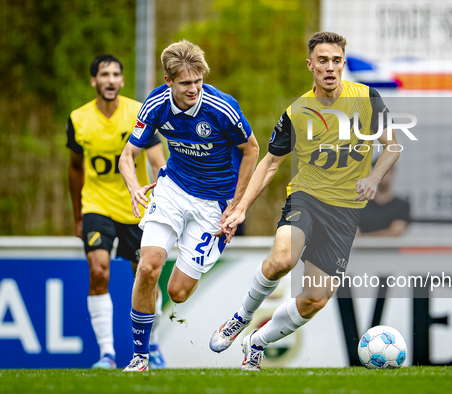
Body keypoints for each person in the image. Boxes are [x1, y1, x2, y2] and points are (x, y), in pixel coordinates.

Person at [209, 31, 401, 371]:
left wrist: (373, 177)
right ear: (310, 65)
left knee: (315, 299)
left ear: (343, 64)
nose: (330, 67)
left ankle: (257, 341)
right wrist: (240, 209)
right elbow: (270, 163)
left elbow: (393, 146)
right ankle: (241, 316)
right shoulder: (298, 111)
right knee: (282, 260)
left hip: (344, 213)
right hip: (306, 199)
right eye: (323, 61)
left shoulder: (367, 99)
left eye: (336, 61)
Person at [118, 40, 259, 372]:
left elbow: (251, 150)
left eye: (198, 81)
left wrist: (236, 207)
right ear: (169, 81)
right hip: (173, 190)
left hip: (215, 203)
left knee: (178, 292)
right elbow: (127, 157)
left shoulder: (221, 107)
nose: (194, 88)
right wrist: (134, 186)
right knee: (148, 266)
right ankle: (140, 357)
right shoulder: (154, 105)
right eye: (185, 83)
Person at [67, 55, 167, 369]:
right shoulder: (78, 118)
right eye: (103, 75)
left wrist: (163, 202)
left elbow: (156, 160)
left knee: (147, 276)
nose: (110, 80)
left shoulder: (140, 111)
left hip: (135, 207)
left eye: (115, 75)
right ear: (94, 81)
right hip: (96, 205)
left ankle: (151, 345)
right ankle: (107, 354)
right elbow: (74, 168)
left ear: (122, 81)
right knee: (99, 272)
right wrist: (78, 215)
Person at [357, 165, 411, 237]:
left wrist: (363, 237)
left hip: (390, 248)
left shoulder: (401, 206)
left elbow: (395, 233)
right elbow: (354, 232)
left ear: (392, 173)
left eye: (384, 171)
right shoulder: (362, 204)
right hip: (362, 248)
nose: (381, 175)